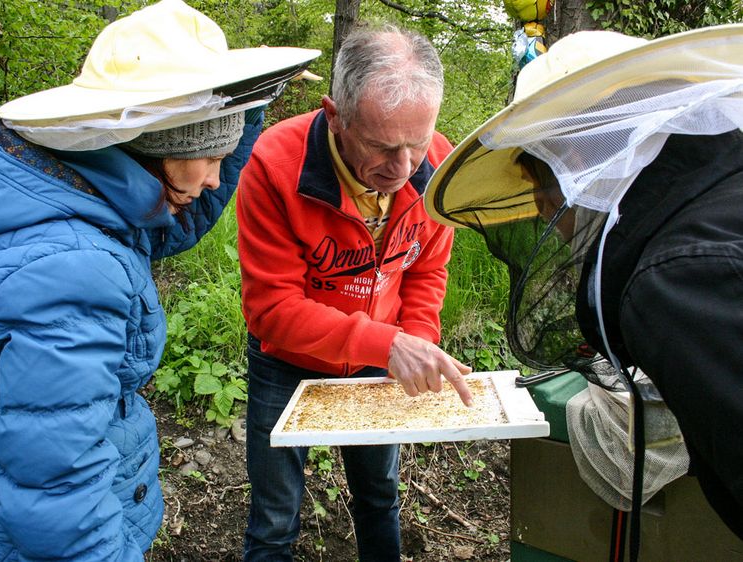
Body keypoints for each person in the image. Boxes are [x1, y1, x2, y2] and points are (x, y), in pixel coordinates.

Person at [0, 0, 319, 559]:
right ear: (157, 148)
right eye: (210, 159)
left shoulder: (66, 191)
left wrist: (246, 103)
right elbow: (62, 492)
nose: (216, 181)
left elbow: (172, 220)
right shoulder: (75, 270)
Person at [424, 24, 743, 543]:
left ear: (576, 164)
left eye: (537, 187)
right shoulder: (716, 201)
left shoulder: (678, 280)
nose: (544, 209)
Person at [236, 23, 473, 561]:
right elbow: (271, 309)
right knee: (274, 517)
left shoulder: (436, 163)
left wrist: (415, 340)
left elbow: (426, 271)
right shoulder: (275, 165)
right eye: (382, 147)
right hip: (287, 361)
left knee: (379, 495)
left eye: (416, 144)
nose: (403, 168)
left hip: (379, 356)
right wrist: (386, 345)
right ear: (335, 113)